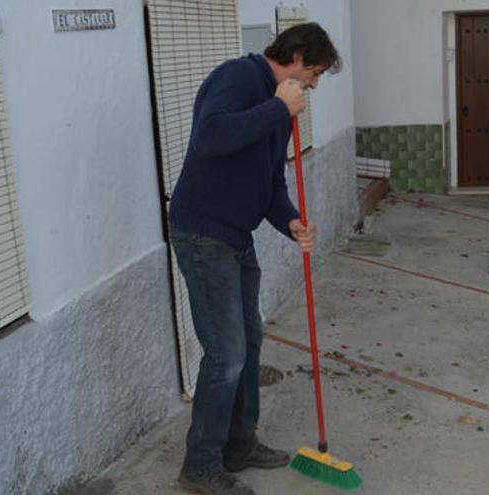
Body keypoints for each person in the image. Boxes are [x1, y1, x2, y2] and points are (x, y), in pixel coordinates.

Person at [167, 22, 341, 495]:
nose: (315, 85)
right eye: (316, 72)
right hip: (203, 235)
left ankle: (239, 444)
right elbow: (211, 137)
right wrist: (277, 108)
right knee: (225, 355)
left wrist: (291, 223)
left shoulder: (279, 106)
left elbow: (271, 185)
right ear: (297, 54)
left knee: (249, 344)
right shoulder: (238, 79)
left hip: (235, 236)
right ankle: (200, 465)